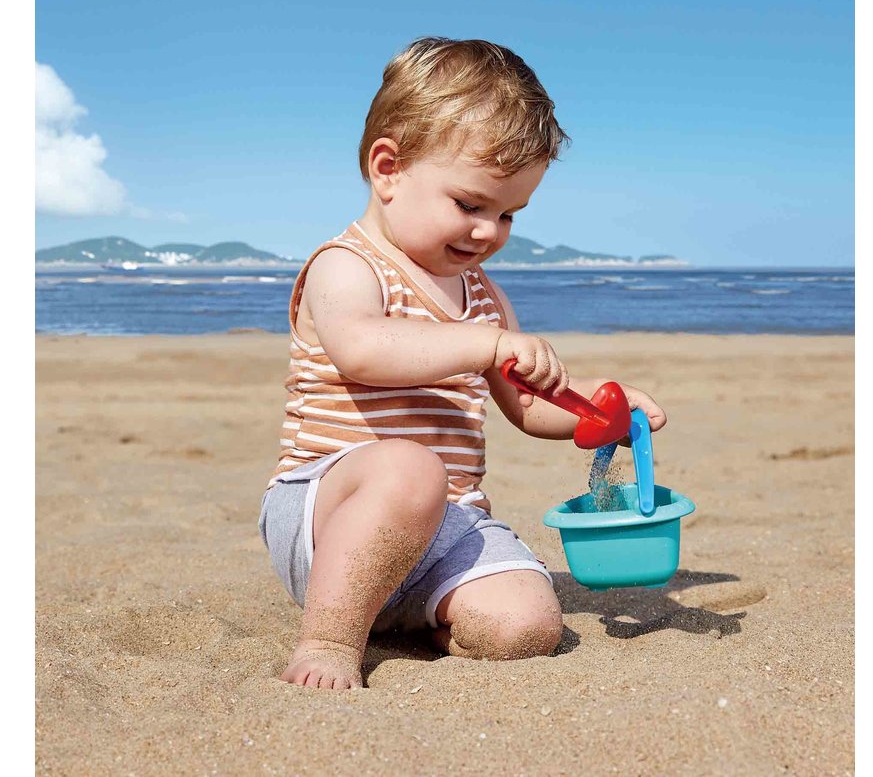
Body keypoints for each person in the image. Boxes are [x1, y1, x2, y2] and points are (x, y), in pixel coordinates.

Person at [258, 37, 666, 689]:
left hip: (442, 530)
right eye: (470, 204)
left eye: (509, 214)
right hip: (329, 518)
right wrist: (483, 345)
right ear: (388, 169)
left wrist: (602, 408)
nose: (489, 232)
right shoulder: (346, 266)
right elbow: (362, 348)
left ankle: (424, 613)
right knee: (408, 467)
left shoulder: (485, 298)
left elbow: (530, 405)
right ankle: (331, 637)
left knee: (529, 627)